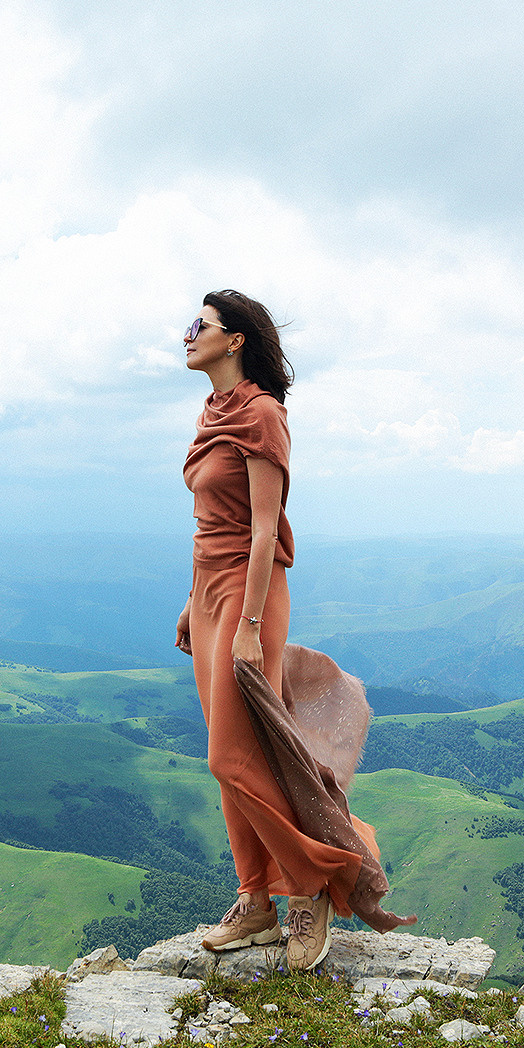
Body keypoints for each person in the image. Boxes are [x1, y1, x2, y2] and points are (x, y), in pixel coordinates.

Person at [175, 289, 411, 972]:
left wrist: (247, 622)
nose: (188, 335)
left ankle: (313, 887)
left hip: (252, 597)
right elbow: (209, 524)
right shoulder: (212, 411)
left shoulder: (263, 415)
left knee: (231, 756)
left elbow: (261, 528)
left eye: (201, 326)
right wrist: (193, 600)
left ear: (236, 340)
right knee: (232, 758)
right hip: (210, 589)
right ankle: (254, 903)